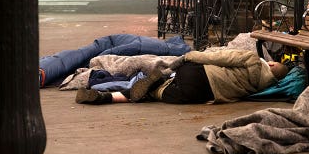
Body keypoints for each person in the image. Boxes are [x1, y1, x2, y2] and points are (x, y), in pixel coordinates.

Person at [75, 49, 290, 105]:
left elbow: (219, 57)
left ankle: (160, 78)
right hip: (201, 93)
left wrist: (186, 58)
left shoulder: (253, 59)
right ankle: (109, 98)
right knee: (152, 93)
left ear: (270, 63)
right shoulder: (259, 88)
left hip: (199, 73)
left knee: (163, 76)